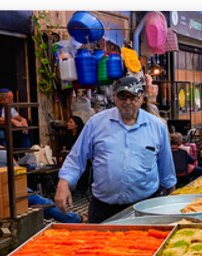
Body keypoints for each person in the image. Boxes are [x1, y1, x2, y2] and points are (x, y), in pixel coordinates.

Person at [55, 76, 176, 223]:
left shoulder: (157, 126)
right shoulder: (97, 123)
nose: (128, 102)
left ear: (142, 97)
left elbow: (166, 166)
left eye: (133, 97)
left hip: (145, 207)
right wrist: (63, 183)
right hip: (103, 209)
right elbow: (76, 157)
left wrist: (172, 195)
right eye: (122, 97)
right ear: (114, 97)